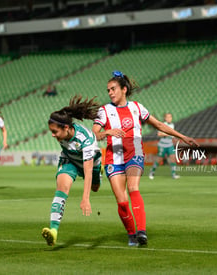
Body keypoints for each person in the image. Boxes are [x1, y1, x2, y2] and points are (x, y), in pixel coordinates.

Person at [92, 71, 198, 246]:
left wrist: (182, 137)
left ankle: (142, 232)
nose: (110, 93)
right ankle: (132, 234)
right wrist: (107, 132)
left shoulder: (137, 108)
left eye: (113, 89)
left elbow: (159, 125)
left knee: (133, 188)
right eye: (108, 90)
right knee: (122, 202)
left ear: (124, 89)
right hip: (114, 158)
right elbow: (94, 135)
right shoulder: (104, 111)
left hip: (135, 155)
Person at [42, 95, 102, 246]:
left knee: (95, 188)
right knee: (61, 188)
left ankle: (100, 171)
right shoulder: (62, 133)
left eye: (55, 132)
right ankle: (53, 231)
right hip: (69, 160)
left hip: (91, 164)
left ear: (66, 128)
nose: (53, 135)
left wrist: (85, 198)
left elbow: (87, 172)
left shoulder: (86, 141)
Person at [148, 113, 180, 180]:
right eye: (168, 117)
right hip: (162, 145)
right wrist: (169, 134)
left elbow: (171, 135)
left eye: (170, 117)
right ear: (165, 118)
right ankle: (152, 171)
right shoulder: (162, 124)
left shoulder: (172, 125)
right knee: (159, 160)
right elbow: (159, 134)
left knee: (173, 158)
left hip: (169, 144)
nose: (169, 118)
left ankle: (173, 174)